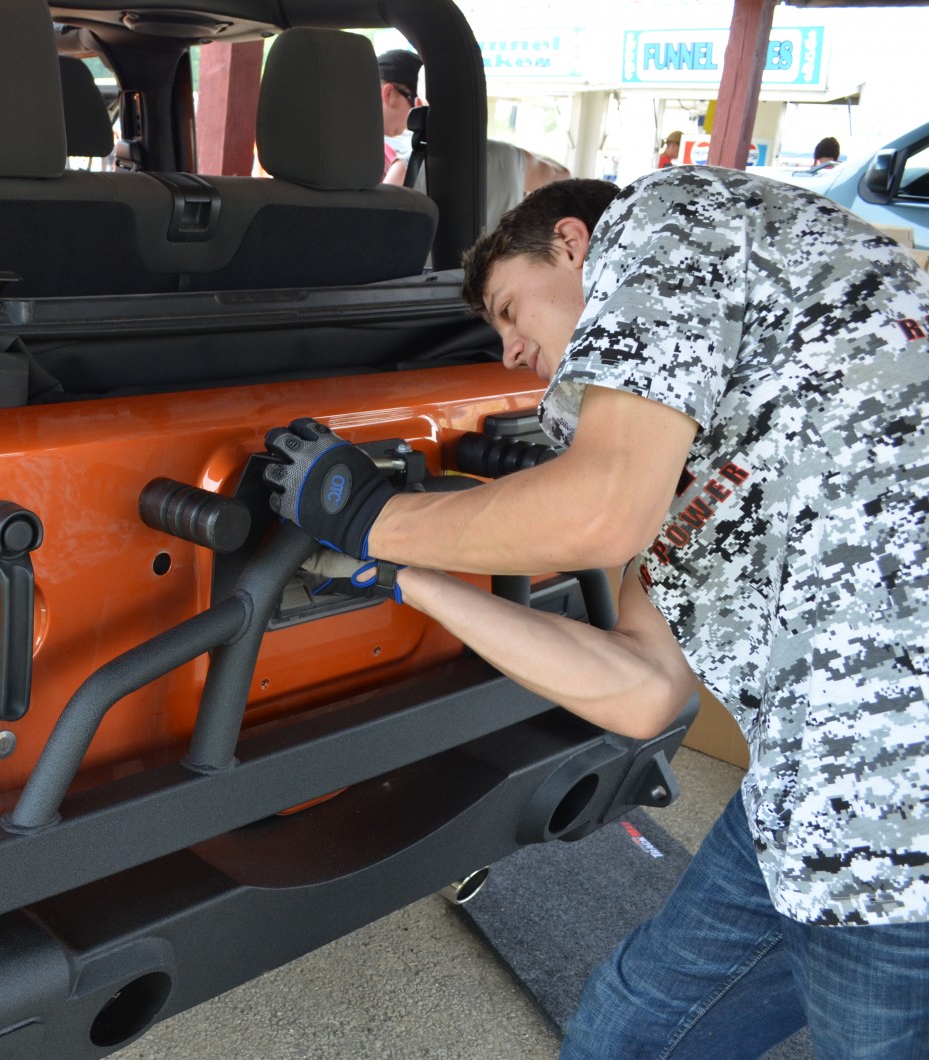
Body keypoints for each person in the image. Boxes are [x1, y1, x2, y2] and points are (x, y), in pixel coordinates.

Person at [261, 167, 929, 1056]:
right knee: (629, 1029)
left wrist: (372, 518)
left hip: (902, 827)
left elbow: (597, 510)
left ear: (573, 244)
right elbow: (643, 690)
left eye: (509, 310)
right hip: (812, 805)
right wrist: (405, 577)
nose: (509, 354)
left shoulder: (669, 213)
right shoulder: (692, 466)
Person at [377, 49, 570, 233]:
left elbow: (377, 234)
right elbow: (563, 176)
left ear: (418, 106)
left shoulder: (405, 169)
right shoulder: (512, 159)